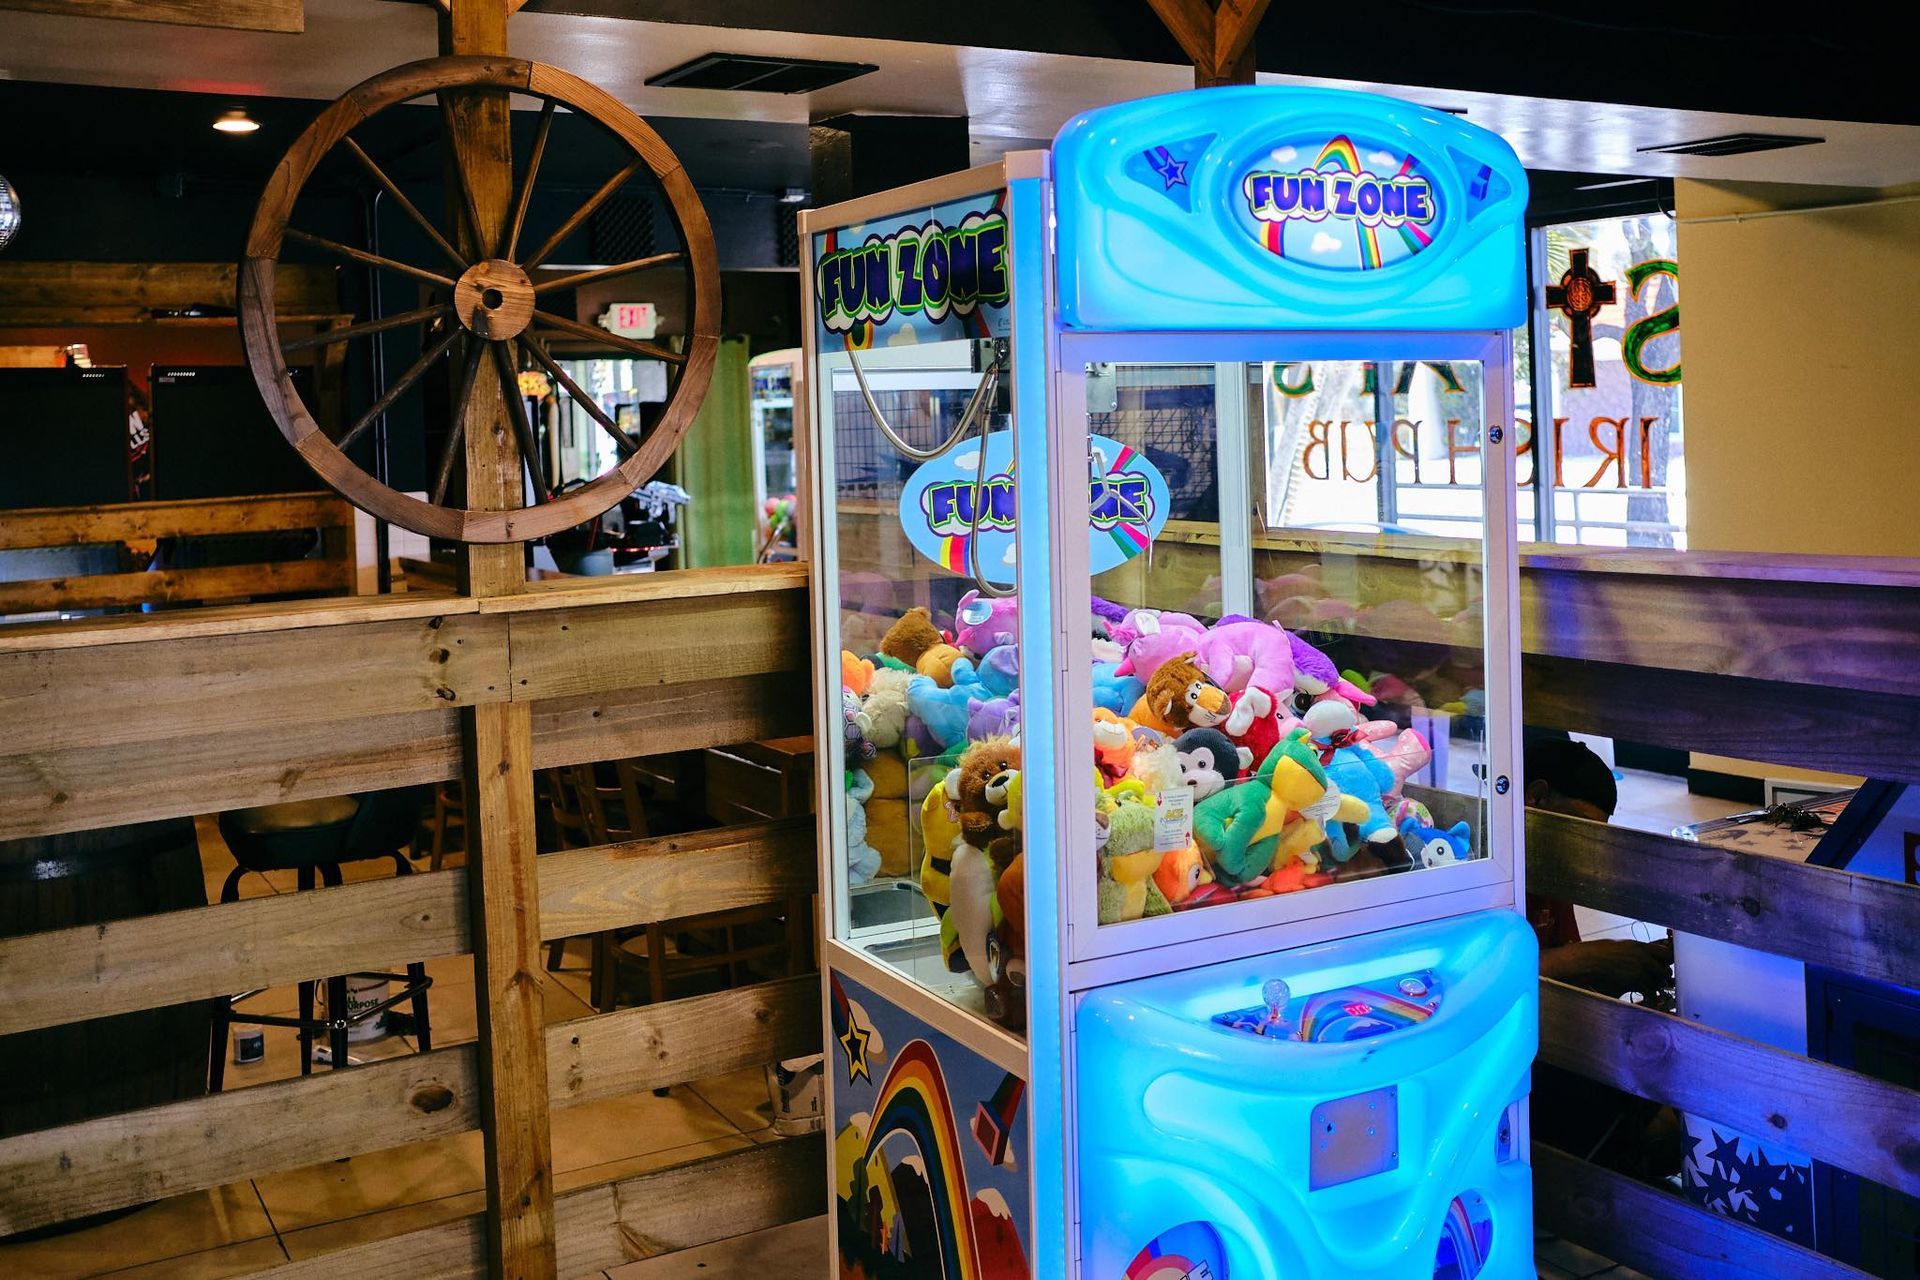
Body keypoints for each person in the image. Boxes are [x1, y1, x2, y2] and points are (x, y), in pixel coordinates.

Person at [1524, 736, 1681, 1182]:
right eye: (1580, 826)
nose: (1584, 845)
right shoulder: (1484, 866)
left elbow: (1571, 973)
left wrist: (1634, 966)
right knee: (1661, 1132)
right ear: (1534, 797)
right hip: (1515, 1066)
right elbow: (1481, 978)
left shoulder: (1551, 866)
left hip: (1552, 1039)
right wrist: (1589, 961)